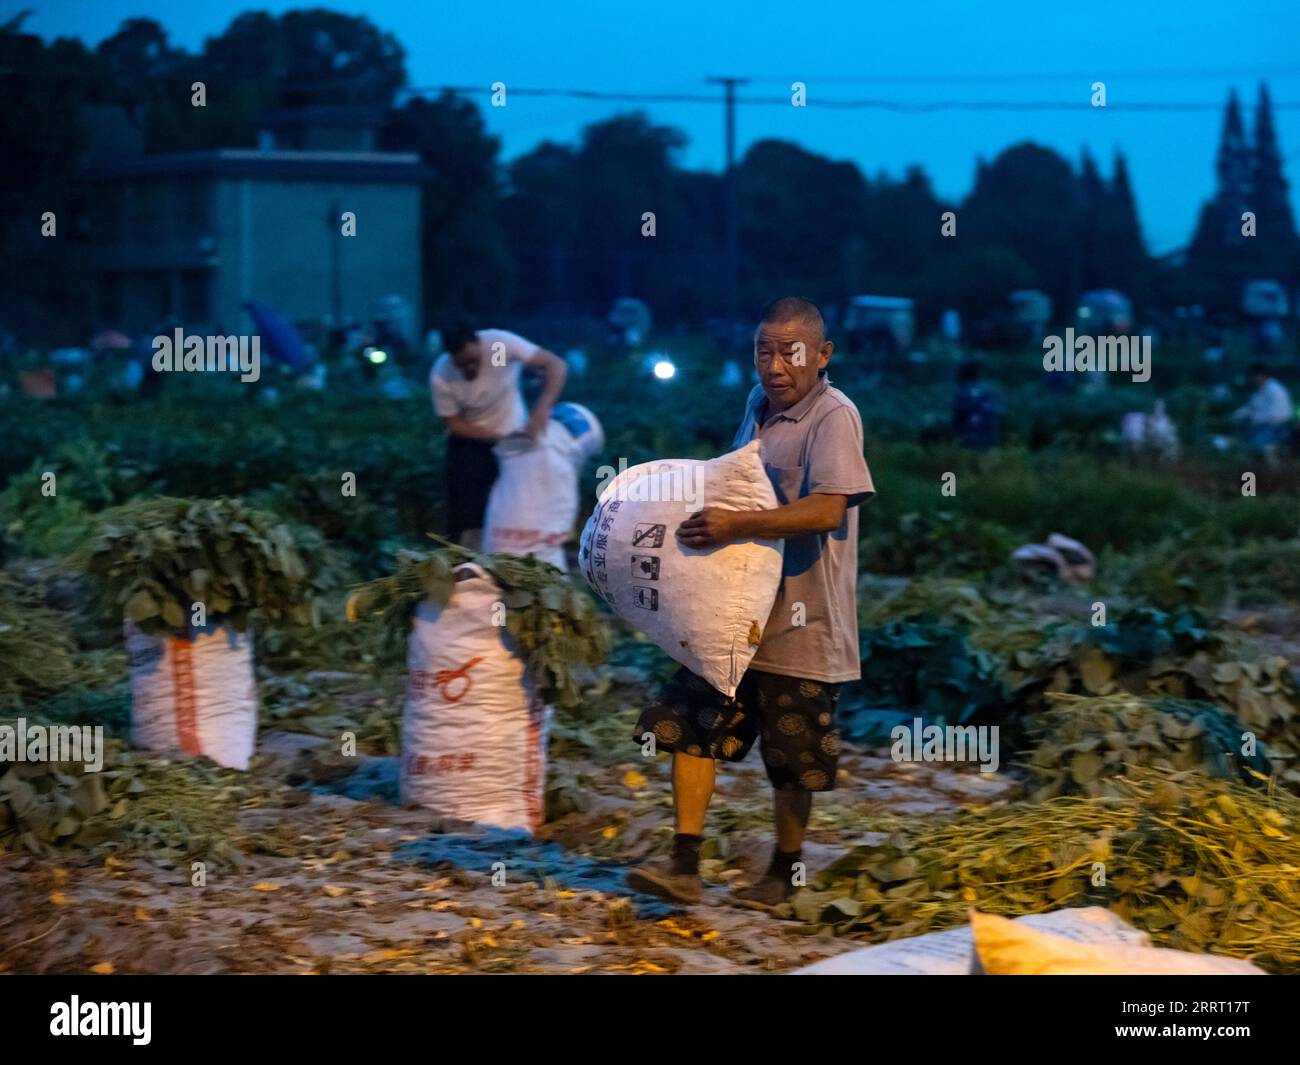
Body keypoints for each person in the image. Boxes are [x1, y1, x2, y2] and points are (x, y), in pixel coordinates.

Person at [626, 297, 874, 908]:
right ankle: (684, 864)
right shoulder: (756, 408)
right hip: (733, 614)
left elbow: (828, 508)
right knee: (687, 725)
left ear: (822, 355)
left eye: (790, 350)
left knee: (792, 758)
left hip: (803, 620)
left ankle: (784, 873)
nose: (775, 364)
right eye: (764, 349)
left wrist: (738, 525)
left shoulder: (833, 417)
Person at [430, 324, 567, 547]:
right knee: (466, 508)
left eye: (473, 360)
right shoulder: (442, 374)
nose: (470, 368)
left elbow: (555, 364)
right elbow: (452, 423)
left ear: (477, 343)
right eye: (462, 364)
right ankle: (465, 561)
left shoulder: (499, 346)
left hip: (514, 440)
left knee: (517, 502)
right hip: (470, 443)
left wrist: (542, 407)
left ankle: (512, 554)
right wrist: (491, 435)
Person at [1233, 363, 1292, 465]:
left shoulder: (1275, 390)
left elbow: (1280, 415)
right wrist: (1235, 415)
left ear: (1260, 375)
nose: (1252, 380)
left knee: (1255, 446)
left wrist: (1257, 420)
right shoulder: (1261, 390)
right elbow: (1251, 407)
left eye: (1253, 376)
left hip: (1275, 427)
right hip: (1262, 426)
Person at [952, 360, 1000, 450]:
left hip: (968, 439)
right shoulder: (986, 392)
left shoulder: (961, 392)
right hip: (985, 439)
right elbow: (992, 417)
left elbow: (957, 419)